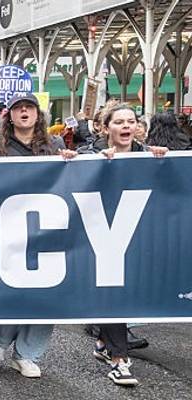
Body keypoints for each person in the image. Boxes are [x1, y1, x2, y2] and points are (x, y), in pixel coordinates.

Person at [0, 94, 75, 381]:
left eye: (29, 108)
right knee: (11, 288)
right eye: (18, 109)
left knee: (47, 292)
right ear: (9, 116)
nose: (24, 112)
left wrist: (71, 162)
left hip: (50, 229)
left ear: (37, 114)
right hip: (10, 230)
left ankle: (28, 354)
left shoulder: (56, 145)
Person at [76, 104, 167, 387]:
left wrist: (164, 163)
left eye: (131, 121)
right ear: (106, 128)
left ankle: (104, 342)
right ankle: (119, 360)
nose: (126, 126)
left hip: (138, 236)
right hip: (100, 237)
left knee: (130, 291)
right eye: (119, 122)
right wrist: (93, 165)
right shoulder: (89, 154)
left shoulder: (149, 155)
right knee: (112, 291)